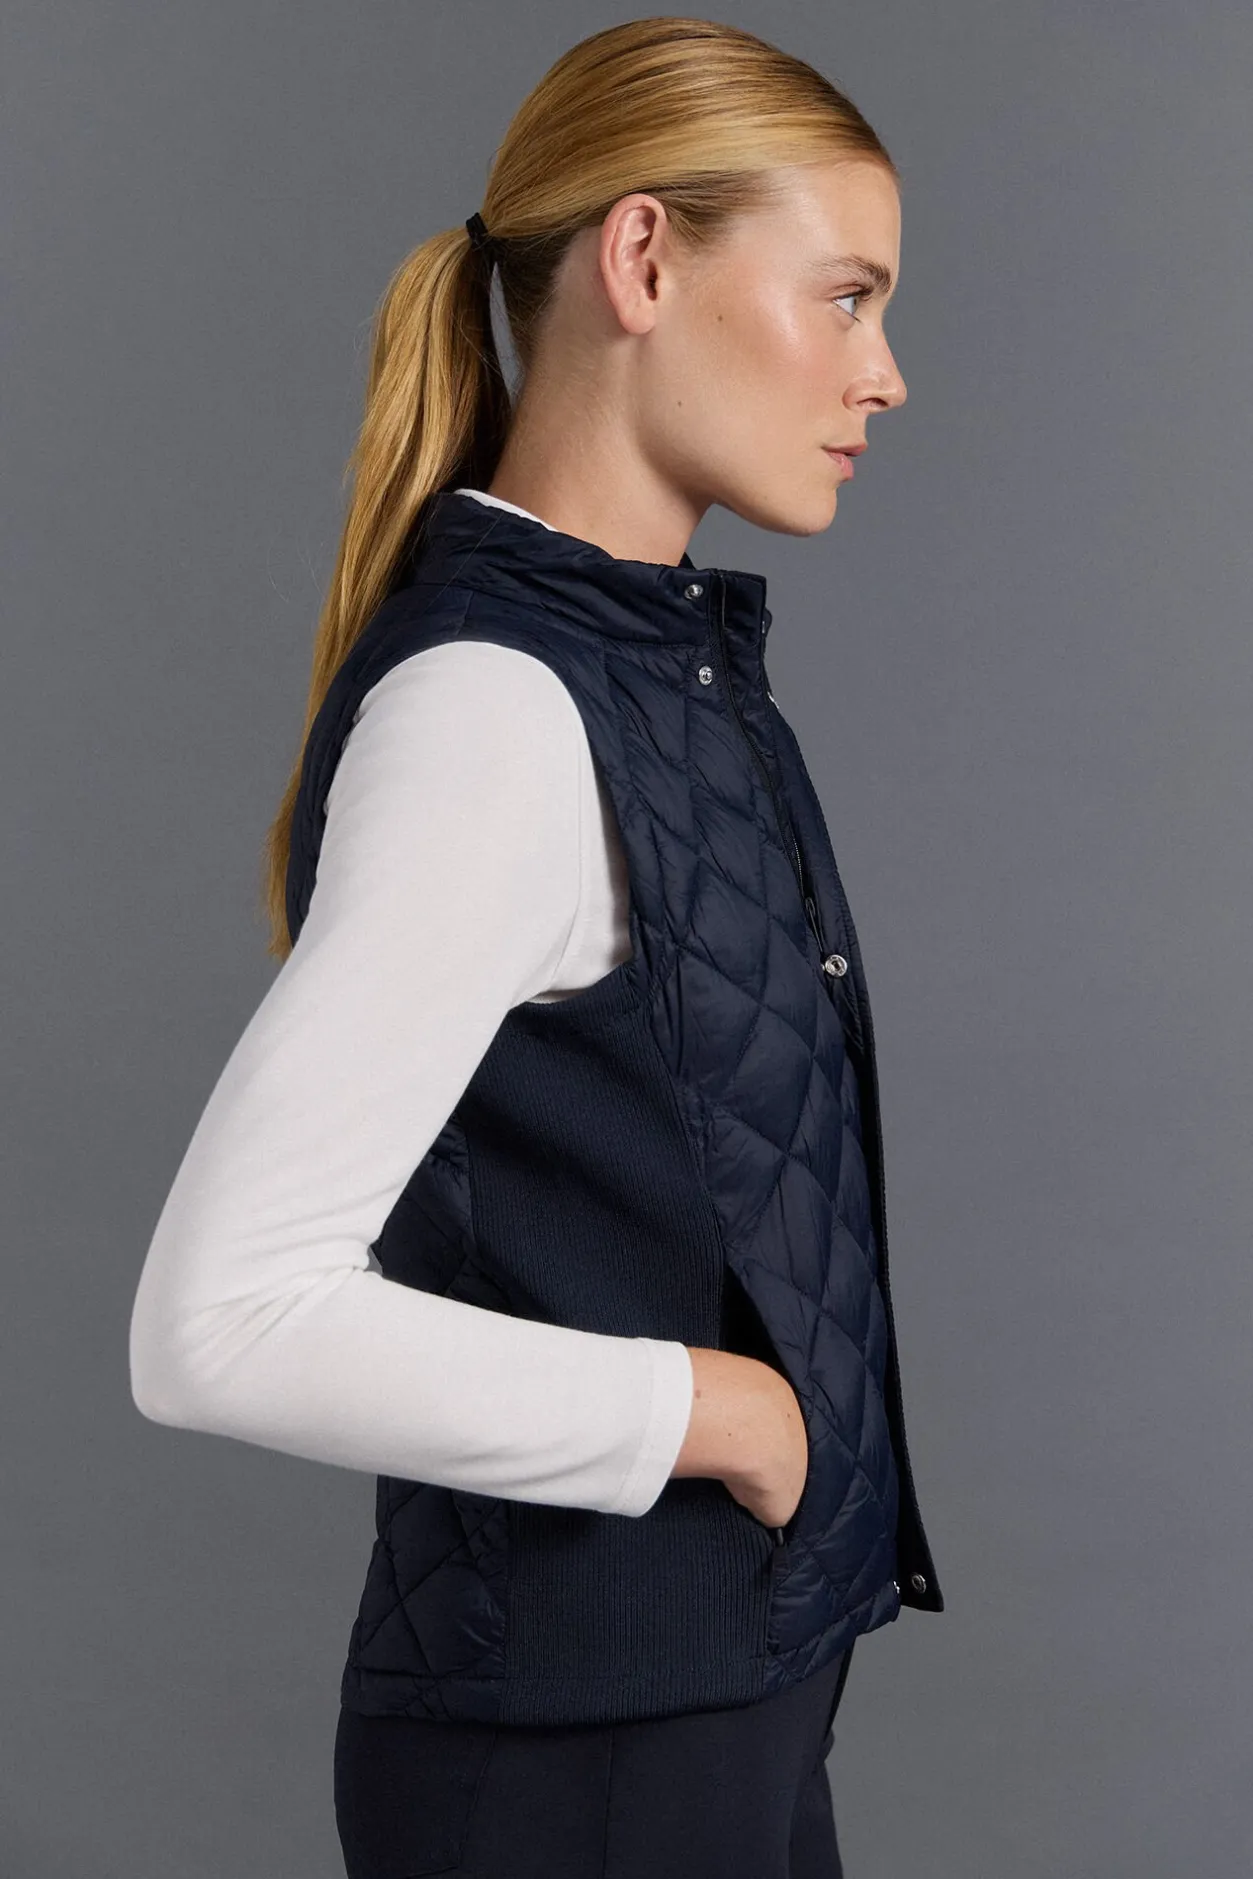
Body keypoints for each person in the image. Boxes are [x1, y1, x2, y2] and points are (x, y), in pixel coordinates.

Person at [127, 17, 944, 1877]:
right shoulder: (498, 715)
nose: (884, 373)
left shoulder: (663, 675)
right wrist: (712, 1408)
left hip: (716, 1716)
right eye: (846, 296)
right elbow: (219, 1323)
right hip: (583, 1766)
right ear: (643, 258)